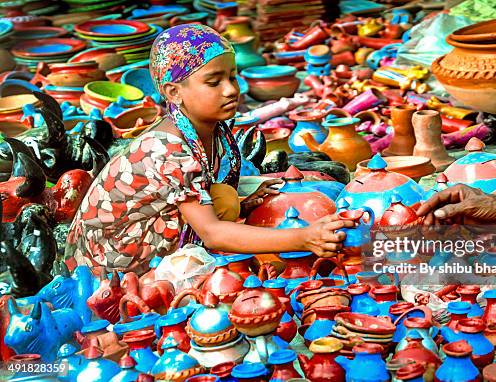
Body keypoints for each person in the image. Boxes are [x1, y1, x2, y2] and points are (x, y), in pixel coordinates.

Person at [65, 24, 352, 275]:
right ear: (174, 92)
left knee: (229, 198)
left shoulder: (209, 128)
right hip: (111, 265)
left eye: (233, 77)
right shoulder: (167, 149)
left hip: (151, 234)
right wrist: (304, 237)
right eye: (214, 82)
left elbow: (205, 190)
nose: (230, 90)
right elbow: (213, 233)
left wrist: (247, 199)